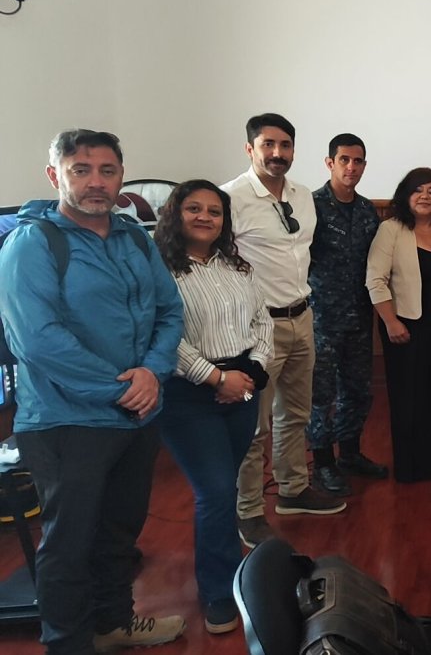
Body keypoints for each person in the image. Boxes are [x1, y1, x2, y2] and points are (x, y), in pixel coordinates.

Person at [0, 130, 186, 652]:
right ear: (54, 175)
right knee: (70, 542)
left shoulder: (134, 239)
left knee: (119, 532)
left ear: (121, 176)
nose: (96, 182)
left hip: (137, 414)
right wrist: (119, 388)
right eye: (81, 170)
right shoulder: (32, 244)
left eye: (108, 170)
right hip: (67, 421)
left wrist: (152, 372)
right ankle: (68, 643)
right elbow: (37, 339)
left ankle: (112, 623)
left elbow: (169, 311)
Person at [153, 180, 273, 635]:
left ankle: (233, 568)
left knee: (227, 483)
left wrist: (250, 374)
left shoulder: (237, 266)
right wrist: (216, 378)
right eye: (194, 208)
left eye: (214, 211)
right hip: (189, 395)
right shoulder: (160, 271)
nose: (205, 217)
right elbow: (162, 335)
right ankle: (219, 592)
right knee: (216, 491)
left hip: (242, 387)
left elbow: (262, 322)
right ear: (175, 214)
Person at [222, 113, 344, 550]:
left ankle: (292, 489)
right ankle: (249, 510)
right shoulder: (229, 198)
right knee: (253, 424)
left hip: (303, 316)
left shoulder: (302, 195)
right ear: (250, 148)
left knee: (296, 412)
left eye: (285, 145)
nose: (278, 153)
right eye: (268, 144)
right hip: (257, 327)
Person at [366, 168, 431, 481]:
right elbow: (375, 280)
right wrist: (390, 321)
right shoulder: (391, 230)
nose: (425, 196)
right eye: (417, 190)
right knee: (412, 399)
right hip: (406, 327)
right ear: (405, 196)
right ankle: (417, 466)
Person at [307, 133, 387, 497]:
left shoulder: (368, 210)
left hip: (359, 316)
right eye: (344, 160)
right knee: (321, 395)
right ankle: (323, 462)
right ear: (330, 163)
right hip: (321, 318)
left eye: (357, 161)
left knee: (357, 390)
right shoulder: (311, 207)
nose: (351, 167)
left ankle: (350, 454)